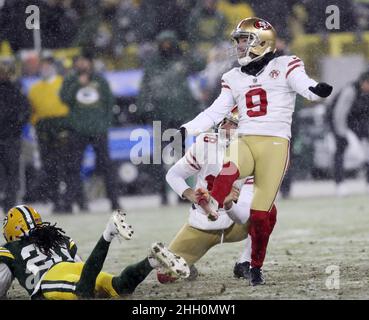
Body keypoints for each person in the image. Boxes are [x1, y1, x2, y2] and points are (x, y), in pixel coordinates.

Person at [177, 17, 332, 285]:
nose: (239, 46)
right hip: (245, 139)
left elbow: (305, 85)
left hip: (274, 144)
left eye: (243, 40)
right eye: (237, 41)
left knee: (261, 215)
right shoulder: (233, 77)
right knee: (225, 176)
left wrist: (317, 91)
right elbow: (216, 111)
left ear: (261, 41)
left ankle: (253, 266)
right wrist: (187, 128)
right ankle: (212, 208)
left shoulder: (285, 65)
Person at [163, 110, 277, 285]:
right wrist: (190, 194)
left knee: (268, 210)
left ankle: (245, 262)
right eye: (225, 122)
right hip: (202, 223)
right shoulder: (206, 143)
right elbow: (173, 175)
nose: (227, 127)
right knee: (165, 276)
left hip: (233, 224)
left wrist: (228, 202)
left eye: (234, 124)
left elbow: (244, 217)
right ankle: (188, 262)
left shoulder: (253, 156)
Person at [0, 205, 189, 299]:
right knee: (120, 287)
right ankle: (151, 261)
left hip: (49, 279)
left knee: (82, 292)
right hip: (77, 268)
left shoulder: (9, 249)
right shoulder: (59, 238)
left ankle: (108, 233)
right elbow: (84, 267)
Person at [60, 50, 119, 212]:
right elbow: (64, 99)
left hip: (98, 130)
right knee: (73, 168)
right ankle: (69, 203)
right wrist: (78, 84)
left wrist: (104, 125)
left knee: (107, 167)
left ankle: (114, 202)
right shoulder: (71, 80)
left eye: (84, 61)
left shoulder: (100, 80)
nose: (82, 64)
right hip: (77, 130)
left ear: (90, 63)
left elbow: (109, 103)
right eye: (78, 61)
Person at [28, 55, 71, 212]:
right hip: (44, 130)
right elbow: (31, 111)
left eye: (48, 65)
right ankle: (56, 200)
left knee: (65, 166)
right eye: (43, 65)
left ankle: (69, 200)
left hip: (62, 127)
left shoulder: (63, 83)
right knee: (50, 167)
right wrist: (36, 124)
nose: (45, 68)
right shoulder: (34, 88)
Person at [327, 71, 369, 195]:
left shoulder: (365, 93)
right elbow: (339, 114)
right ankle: (339, 184)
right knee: (340, 149)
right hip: (338, 122)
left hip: (355, 122)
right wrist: (342, 134)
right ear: (363, 82)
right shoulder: (350, 91)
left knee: (366, 151)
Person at [0, 58, 30, 213]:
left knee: (11, 173)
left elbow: (25, 111)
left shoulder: (17, 89)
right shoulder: (16, 90)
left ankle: (9, 204)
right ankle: (7, 203)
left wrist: (15, 127)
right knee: (8, 173)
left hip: (11, 138)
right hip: (9, 137)